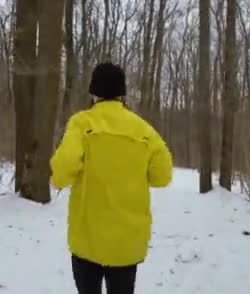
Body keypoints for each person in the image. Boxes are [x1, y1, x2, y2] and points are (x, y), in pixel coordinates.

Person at [50, 62, 173, 294]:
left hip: (87, 239)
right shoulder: (144, 130)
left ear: (93, 93)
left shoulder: (81, 123)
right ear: (121, 93)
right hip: (127, 243)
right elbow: (162, 176)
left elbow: (61, 173)